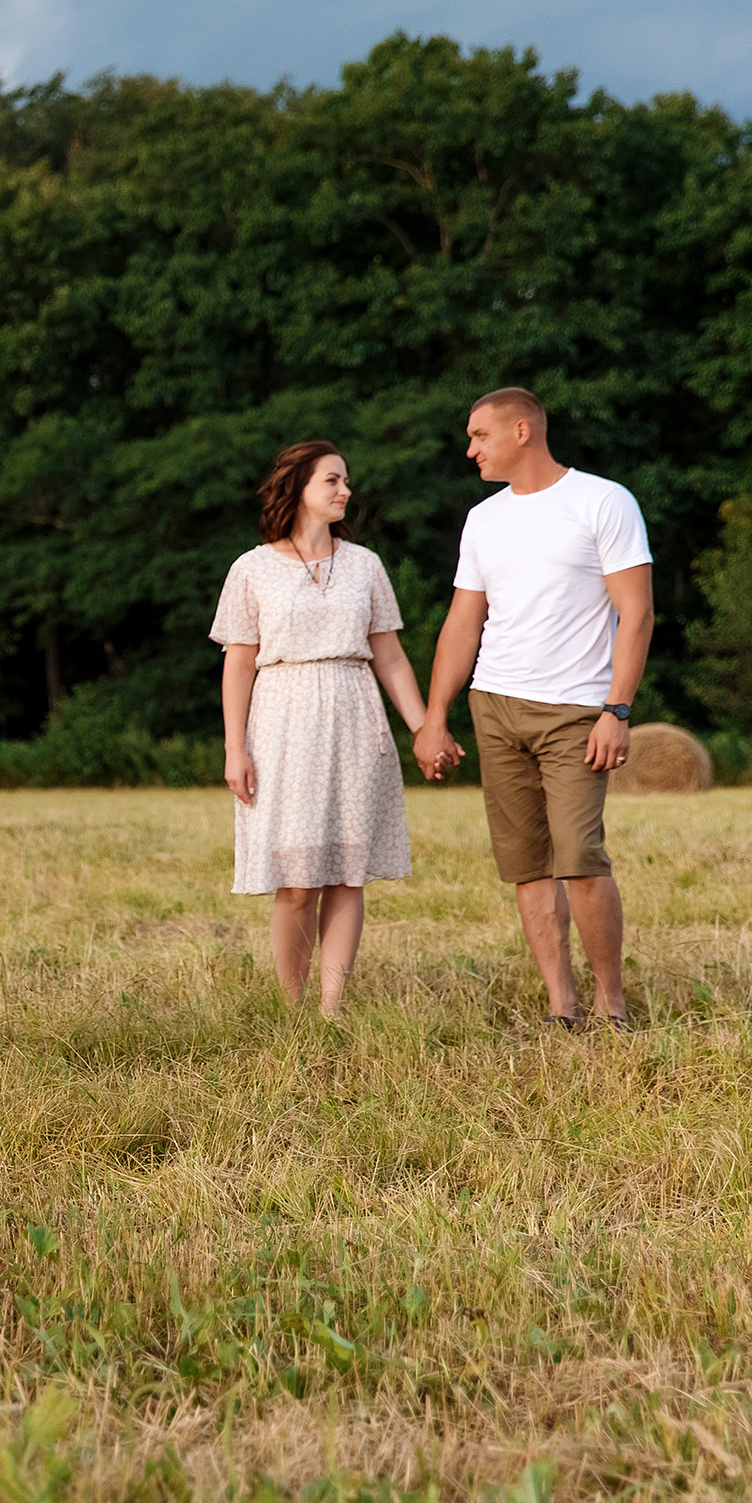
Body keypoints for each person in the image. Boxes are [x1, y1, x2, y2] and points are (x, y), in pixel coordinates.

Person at [413, 389, 654, 1032]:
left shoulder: (603, 502)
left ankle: (611, 1004)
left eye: (479, 436)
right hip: (495, 705)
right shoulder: (482, 520)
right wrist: (435, 716)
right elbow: (465, 620)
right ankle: (561, 1008)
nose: (470, 450)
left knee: (579, 857)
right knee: (527, 866)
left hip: (577, 709)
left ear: (522, 431)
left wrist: (617, 709)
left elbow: (637, 613)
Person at [211, 442, 431, 1018]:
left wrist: (423, 727)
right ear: (298, 487)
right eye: (333, 480)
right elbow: (238, 661)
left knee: (346, 872)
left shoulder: (365, 565)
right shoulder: (251, 568)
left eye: (347, 481)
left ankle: (331, 1008)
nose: (345, 491)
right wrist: (235, 748)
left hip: (355, 713)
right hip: (282, 720)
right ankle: (292, 1006)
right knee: (297, 879)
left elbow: (390, 656)